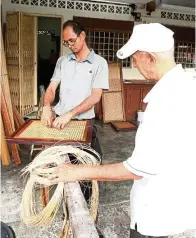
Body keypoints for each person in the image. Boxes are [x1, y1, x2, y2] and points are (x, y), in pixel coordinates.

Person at [43, 23, 196, 238]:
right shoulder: (186, 85)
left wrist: (78, 171)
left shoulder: (166, 100)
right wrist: (48, 106)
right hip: (171, 204)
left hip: (157, 213)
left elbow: (137, 168)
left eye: (135, 58)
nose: (132, 63)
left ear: (151, 58)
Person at [41, 20, 109, 157]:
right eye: (66, 42)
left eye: (72, 40)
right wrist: (46, 106)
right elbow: (52, 88)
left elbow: (96, 97)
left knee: (91, 162)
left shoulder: (99, 63)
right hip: (60, 121)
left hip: (84, 122)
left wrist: (70, 115)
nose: (70, 45)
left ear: (82, 35)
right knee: (60, 163)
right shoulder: (62, 61)